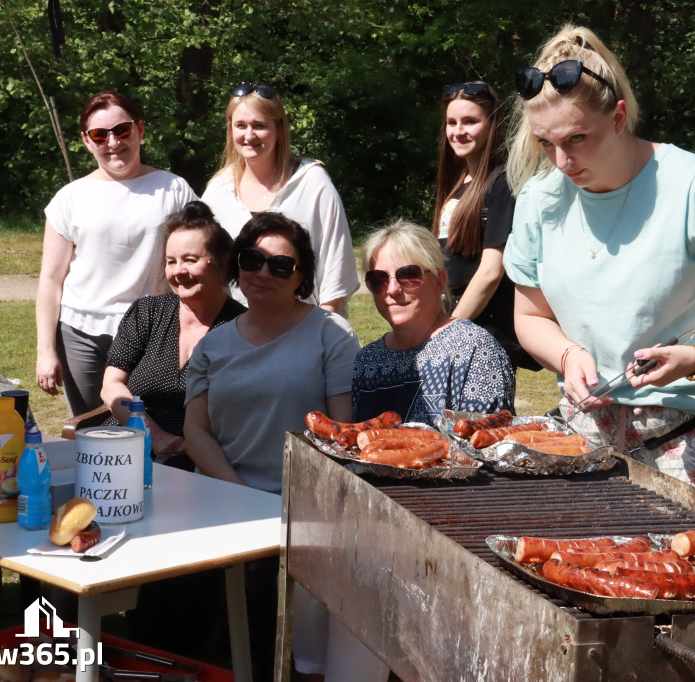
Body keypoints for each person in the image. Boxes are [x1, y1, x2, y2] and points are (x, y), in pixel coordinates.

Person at [503, 23, 695, 516]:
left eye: (578, 138)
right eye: (546, 143)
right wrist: (566, 355)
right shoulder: (540, 200)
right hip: (591, 441)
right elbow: (530, 316)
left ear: (619, 116)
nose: (563, 161)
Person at [184, 212, 386, 682]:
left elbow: (342, 432)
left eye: (281, 265)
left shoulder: (330, 333)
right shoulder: (212, 346)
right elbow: (196, 433)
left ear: (302, 277)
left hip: (302, 504)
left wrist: (280, 507)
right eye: (253, 259)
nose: (262, 273)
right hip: (224, 496)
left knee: (262, 603)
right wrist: (243, 497)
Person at [36, 91, 198, 416]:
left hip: (152, 331)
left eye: (122, 130)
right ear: (86, 141)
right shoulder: (70, 198)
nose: (113, 142)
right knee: (90, 433)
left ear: (140, 129)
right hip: (82, 336)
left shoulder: (174, 190)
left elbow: (203, 259)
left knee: (151, 429)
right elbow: (51, 281)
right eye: (100, 134)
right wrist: (46, 351)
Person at [99, 200, 245, 465]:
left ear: (222, 264)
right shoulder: (148, 312)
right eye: (171, 261)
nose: (178, 271)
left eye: (190, 260)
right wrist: (152, 435)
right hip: (125, 443)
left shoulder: (241, 327)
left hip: (197, 458)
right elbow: (111, 386)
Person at [201, 82, 359, 316]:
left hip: (303, 331)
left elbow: (335, 274)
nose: (249, 135)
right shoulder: (218, 191)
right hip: (236, 333)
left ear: (279, 130)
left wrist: (324, 335)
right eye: (241, 125)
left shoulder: (312, 183)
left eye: (259, 125)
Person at [353, 219, 516, 426]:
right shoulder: (367, 361)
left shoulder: (473, 349)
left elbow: (484, 446)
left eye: (409, 275)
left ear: (440, 280)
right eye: (379, 279)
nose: (392, 289)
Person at [432, 81, 537, 371]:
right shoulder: (459, 183)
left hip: (485, 337)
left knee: (482, 419)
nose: (458, 131)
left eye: (470, 121)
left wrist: (449, 330)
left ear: (493, 125)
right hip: (457, 324)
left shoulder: (503, 181)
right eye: (451, 122)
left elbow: (492, 271)